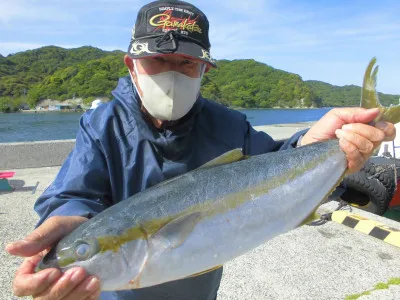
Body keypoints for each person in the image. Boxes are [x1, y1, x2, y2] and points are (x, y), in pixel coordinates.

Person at [6, 1, 396, 299]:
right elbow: (73, 193)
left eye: (186, 63)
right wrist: (68, 219)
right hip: (114, 292)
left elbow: (276, 163)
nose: (172, 72)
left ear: (204, 70)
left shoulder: (229, 125)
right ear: (132, 65)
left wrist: (319, 148)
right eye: (157, 60)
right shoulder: (103, 124)